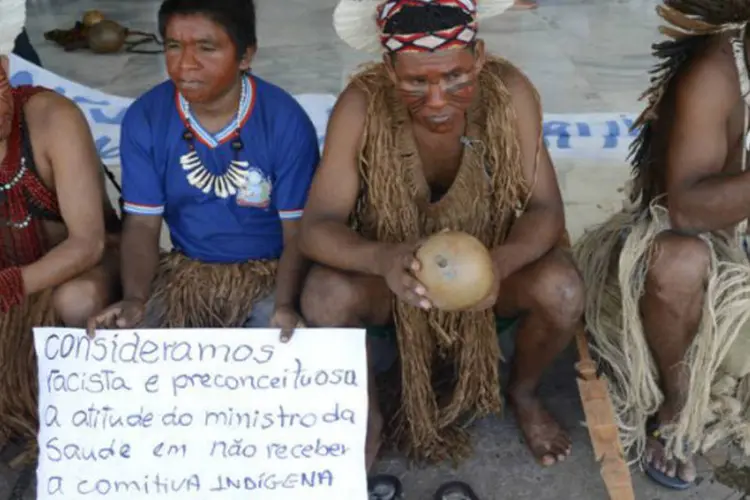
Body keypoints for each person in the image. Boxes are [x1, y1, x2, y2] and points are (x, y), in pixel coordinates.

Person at [300, 0, 584, 477]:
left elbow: (546, 209)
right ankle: (366, 411)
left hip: (490, 281)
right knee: (324, 295)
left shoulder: (510, 92)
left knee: (562, 288)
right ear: (388, 67)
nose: (436, 100)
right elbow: (316, 226)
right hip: (392, 288)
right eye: (416, 82)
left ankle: (523, 390)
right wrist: (383, 259)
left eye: (455, 78)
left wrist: (501, 264)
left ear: (479, 55)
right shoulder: (361, 104)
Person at [573, 0, 750, 491]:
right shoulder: (715, 73)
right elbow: (686, 214)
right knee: (679, 261)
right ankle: (675, 403)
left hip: (730, 244)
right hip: (663, 251)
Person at [89, 0, 318, 335]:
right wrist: (135, 299)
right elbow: (141, 224)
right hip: (188, 274)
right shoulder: (147, 117)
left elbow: (297, 232)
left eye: (206, 48)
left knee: (272, 341)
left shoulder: (284, 120)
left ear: (246, 56)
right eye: (173, 47)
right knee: (129, 333)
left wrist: (284, 305)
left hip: (273, 277)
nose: (186, 64)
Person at [0, 0, 120, 460]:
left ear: (5, 66)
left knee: (78, 298)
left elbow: (88, 242)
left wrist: (10, 287)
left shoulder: (53, 119)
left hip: (82, 271)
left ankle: (94, 419)